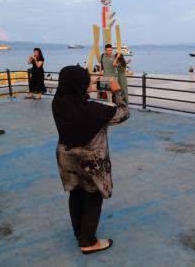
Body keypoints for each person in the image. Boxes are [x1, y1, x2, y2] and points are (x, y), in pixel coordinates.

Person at [52, 65, 129, 254]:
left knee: (76, 193)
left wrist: (84, 90)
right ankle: (88, 242)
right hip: (90, 161)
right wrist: (117, 91)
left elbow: (75, 102)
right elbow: (123, 113)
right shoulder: (95, 110)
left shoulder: (58, 102)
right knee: (93, 196)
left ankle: (79, 233)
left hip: (66, 157)